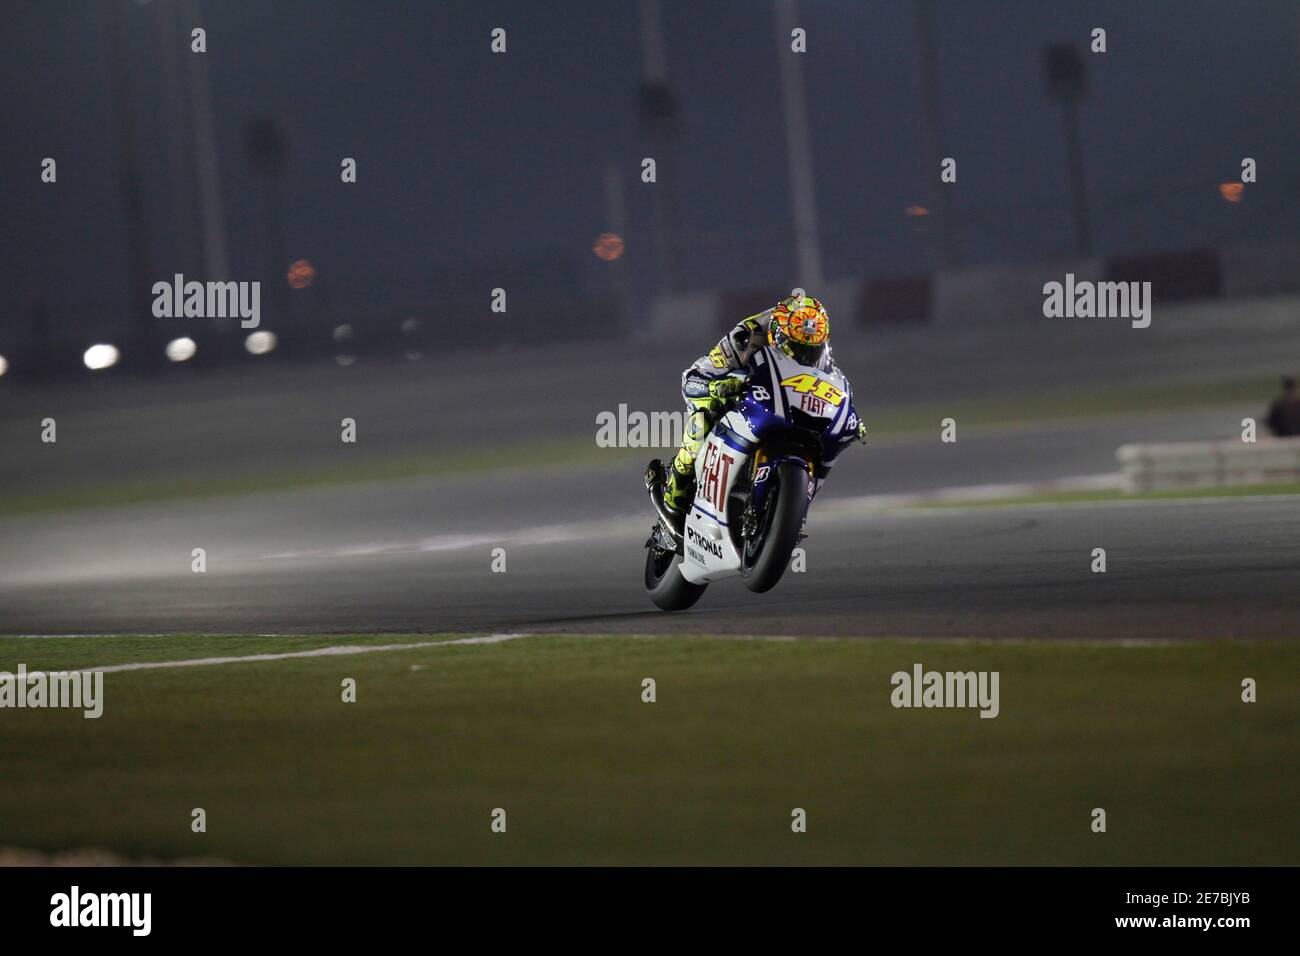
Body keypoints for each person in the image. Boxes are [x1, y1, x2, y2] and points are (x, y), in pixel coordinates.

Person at [663, 293, 866, 516]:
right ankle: (675, 493)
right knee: (701, 423)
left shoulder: (816, 345)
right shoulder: (747, 335)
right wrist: (716, 387)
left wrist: (847, 417)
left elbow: (830, 382)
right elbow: (695, 376)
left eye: (811, 350)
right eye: (795, 348)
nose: (803, 356)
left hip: (780, 403)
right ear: (777, 334)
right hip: (737, 392)